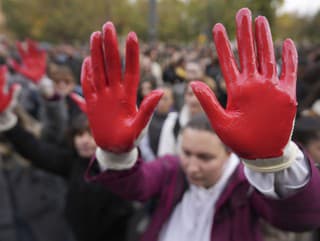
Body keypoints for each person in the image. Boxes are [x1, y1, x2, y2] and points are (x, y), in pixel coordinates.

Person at [0, 67, 134, 241]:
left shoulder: (118, 169)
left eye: (91, 135)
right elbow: (37, 151)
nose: (84, 141)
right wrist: (9, 124)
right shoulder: (73, 161)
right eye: (79, 135)